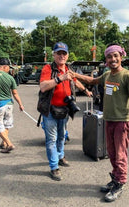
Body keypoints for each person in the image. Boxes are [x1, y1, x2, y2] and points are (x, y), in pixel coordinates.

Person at [70, 44, 129, 202]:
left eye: (116, 56)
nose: (113, 59)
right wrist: (75, 75)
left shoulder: (127, 76)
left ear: (121, 57)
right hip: (108, 120)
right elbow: (93, 80)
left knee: (121, 154)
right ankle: (115, 178)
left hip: (123, 122)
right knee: (112, 153)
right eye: (109, 57)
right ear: (106, 60)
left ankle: (120, 183)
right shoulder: (107, 75)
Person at [39, 42, 91, 181]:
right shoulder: (48, 68)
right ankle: (54, 166)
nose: (62, 56)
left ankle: (60, 156)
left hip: (65, 110)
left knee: (62, 136)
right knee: (51, 139)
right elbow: (43, 87)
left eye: (64, 53)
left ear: (67, 55)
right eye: (59, 53)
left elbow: (75, 81)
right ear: (54, 54)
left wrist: (86, 90)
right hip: (50, 111)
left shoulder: (68, 69)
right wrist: (59, 78)